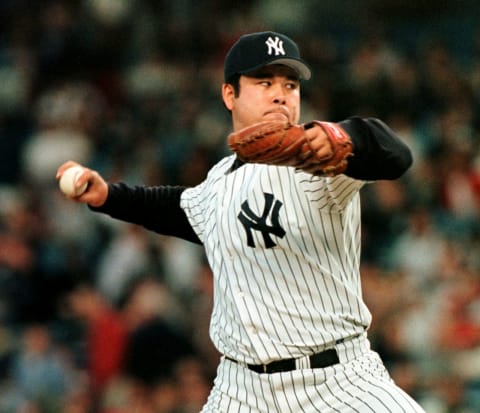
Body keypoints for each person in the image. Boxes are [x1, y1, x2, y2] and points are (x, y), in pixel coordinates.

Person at [57, 31, 426, 412]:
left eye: (290, 84)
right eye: (264, 82)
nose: (281, 93)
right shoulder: (220, 179)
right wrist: (108, 196)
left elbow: (396, 156)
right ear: (229, 95)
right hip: (241, 389)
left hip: (338, 380)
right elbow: (179, 208)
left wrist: (343, 136)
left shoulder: (321, 162)